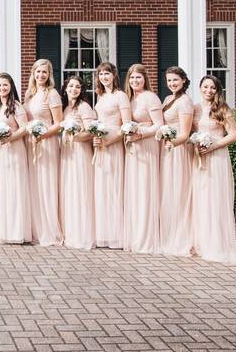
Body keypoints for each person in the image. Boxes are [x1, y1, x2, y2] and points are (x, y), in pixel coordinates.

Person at [191, 75, 236, 264]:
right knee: (201, 199)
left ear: (217, 90)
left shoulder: (222, 109)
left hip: (217, 157)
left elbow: (234, 135)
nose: (208, 91)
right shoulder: (195, 108)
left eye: (212, 88)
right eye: (205, 87)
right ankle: (202, 243)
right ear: (200, 87)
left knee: (216, 199)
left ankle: (218, 245)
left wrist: (213, 145)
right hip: (199, 158)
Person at [122, 63, 163, 255]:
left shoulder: (150, 97)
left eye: (138, 77)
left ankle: (146, 237)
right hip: (133, 147)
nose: (135, 81)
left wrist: (140, 133)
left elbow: (159, 125)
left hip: (146, 146)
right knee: (135, 190)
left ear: (145, 79)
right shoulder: (130, 98)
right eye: (131, 78)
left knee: (145, 190)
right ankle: (134, 234)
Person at [24, 58, 64, 246]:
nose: (40, 75)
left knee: (46, 185)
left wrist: (42, 135)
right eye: (38, 72)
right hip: (31, 143)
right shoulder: (30, 94)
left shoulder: (52, 94)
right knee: (34, 186)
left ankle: (49, 230)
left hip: (47, 144)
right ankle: (36, 228)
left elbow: (59, 123)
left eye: (44, 73)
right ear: (33, 73)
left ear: (49, 75)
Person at [0, 72, 33, 244]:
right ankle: (3, 230)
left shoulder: (16, 106)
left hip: (14, 150)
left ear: (11, 86)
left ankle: (16, 231)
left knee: (14, 189)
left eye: (5, 85)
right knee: (2, 190)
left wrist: (10, 137)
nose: (2, 88)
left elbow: (25, 127)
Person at [92, 62, 131, 249]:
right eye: (101, 74)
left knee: (114, 188)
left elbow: (127, 126)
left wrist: (109, 141)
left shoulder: (121, 96)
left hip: (113, 145)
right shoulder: (100, 96)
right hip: (100, 145)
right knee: (102, 189)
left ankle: (116, 235)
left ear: (114, 75)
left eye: (107, 73)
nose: (104, 77)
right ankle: (103, 233)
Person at [159, 66, 195, 257]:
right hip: (167, 150)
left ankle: (181, 237)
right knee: (168, 192)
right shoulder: (168, 99)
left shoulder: (185, 102)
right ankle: (168, 234)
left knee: (178, 192)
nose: (172, 83)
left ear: (183, 81)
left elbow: (185, 133)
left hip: (178, 151)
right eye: (169, 80)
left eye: (175, 80)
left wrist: (170, 142)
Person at [58, 75, 97, 251]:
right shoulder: (66, 108)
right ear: (65, 88)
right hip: (67, 152)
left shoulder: (84, 107)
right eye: (71, 86)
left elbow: (90, 132)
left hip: (80, 151)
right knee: (69, 190)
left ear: (82, 90)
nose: (74, 89)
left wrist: (74, 137)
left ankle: (82, 234)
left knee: (80, 190)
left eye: (78, 87)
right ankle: (70, 231)